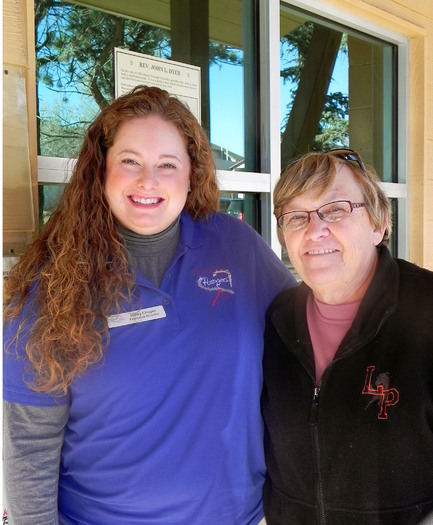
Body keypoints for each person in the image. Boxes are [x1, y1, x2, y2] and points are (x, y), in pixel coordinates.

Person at [3, 85, 296, 525]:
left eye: (167, 165)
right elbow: (30, 444)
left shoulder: (237, 249)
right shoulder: (51, 282)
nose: (148, 181)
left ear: (191, 175)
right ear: (100, 169)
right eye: (130, 161)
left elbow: (305, 340)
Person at [261, 149, 433, 525]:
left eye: (336, 210)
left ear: (378, 222)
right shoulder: (277, 321)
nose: (314, 230)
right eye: (296, 217)